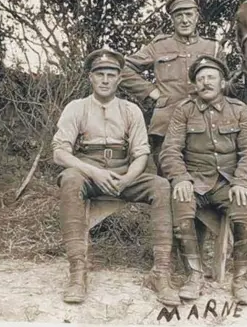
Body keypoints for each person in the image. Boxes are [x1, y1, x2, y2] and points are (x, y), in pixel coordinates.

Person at [52, 48, 180, 306]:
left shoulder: (131, 110)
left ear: (120, 79)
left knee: (161, 185)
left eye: (111, 74)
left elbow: (142, 153)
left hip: (125, 173)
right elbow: (59, 152)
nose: (105, 80)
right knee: (70, 179)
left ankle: (161, 273)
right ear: (90, 77)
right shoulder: (76, 108)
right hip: (89, 172)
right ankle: (78, 272)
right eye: (100, 74)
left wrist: (127, 179)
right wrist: (94, 172)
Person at [159, 55, 247, 305]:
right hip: (194, 182)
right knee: (181, 205)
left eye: (211, 77)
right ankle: (194, 276)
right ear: (194, 84)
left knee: (244, 210)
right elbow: (170, 150)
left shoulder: (239, 110)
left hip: (228, 183)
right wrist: (181, 178)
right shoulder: (184, 110)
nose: (206, 83)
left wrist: (242, 182)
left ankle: (240, 280)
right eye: (201, 78)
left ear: (222, 81)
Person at [118, 0, 223, 173]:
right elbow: (122, 69)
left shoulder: (212, 48)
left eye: (189, 14)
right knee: (169, 179)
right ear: (172, 19)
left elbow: (223, 85)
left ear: (197, 16)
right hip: (166, 124)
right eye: (178, 15)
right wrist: (151, 92)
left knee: (204, 181)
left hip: (206, 125)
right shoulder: (159, 46)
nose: (184, 20)